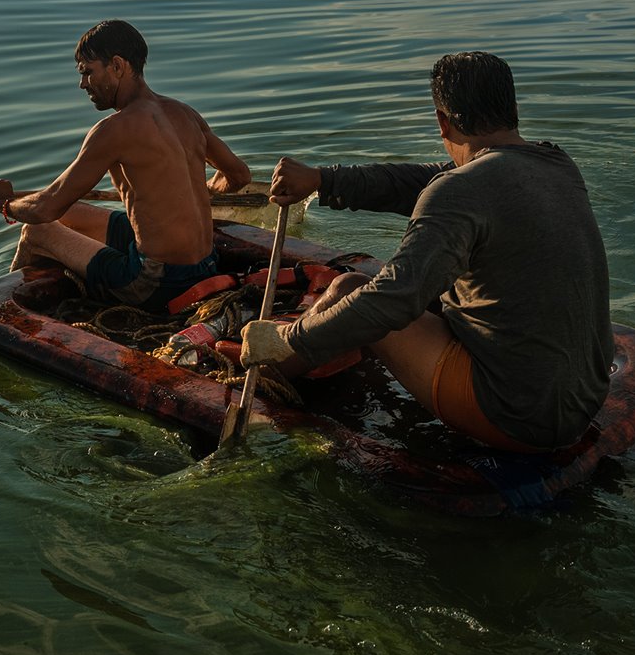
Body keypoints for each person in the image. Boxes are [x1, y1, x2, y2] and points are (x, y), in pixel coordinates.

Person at [241, 52, 612, 453]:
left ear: (442, 122)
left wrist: (289, 337)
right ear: (514, 112)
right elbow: (427, 180)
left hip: (517, 416)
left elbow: (394, 301)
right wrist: (322, 180)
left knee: (350, 288)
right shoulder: (556, 164)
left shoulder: (460, 189)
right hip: (581, 400)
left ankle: (263, 373)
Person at [0, 20, 251, 312]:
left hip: (158, 282)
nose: (83, 84)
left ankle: (8, 311)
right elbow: (238, 175)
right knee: (70, 213)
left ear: (118, 66)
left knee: (37, 232)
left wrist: (6, 205)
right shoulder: (186, 114)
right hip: (207, 264)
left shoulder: (113, 130)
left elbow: (45, 209)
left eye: (87, 72)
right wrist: (205, 189)